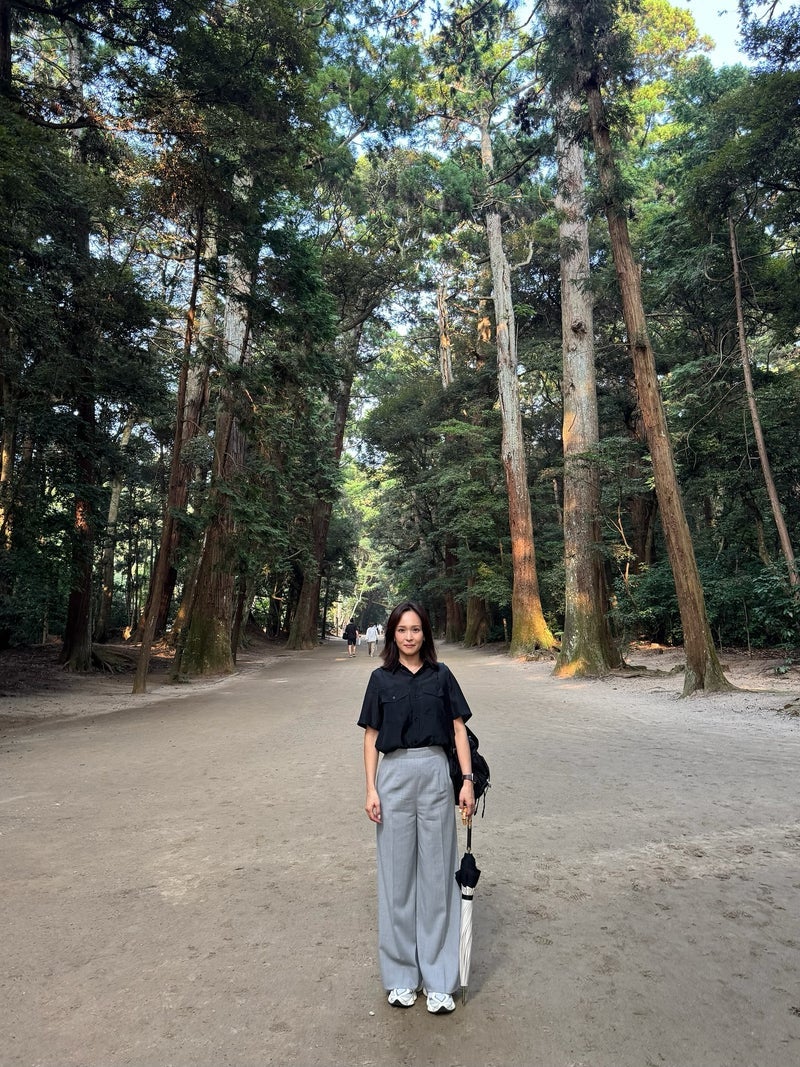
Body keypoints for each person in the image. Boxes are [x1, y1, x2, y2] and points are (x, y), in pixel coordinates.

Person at [357, 600, 476, 1014]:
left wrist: (466, 781)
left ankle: (440, 979)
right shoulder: (379, 679)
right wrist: (371, 789)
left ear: (425, 633)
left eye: (416, 629)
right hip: (393, 777)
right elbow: (371, 736)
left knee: (437, 877)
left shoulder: (441, 676)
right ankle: (401, 976)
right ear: (392, 634)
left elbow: (458, 731)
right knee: (396, 879)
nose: (409, 636)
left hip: (435, 774)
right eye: (402, 630)